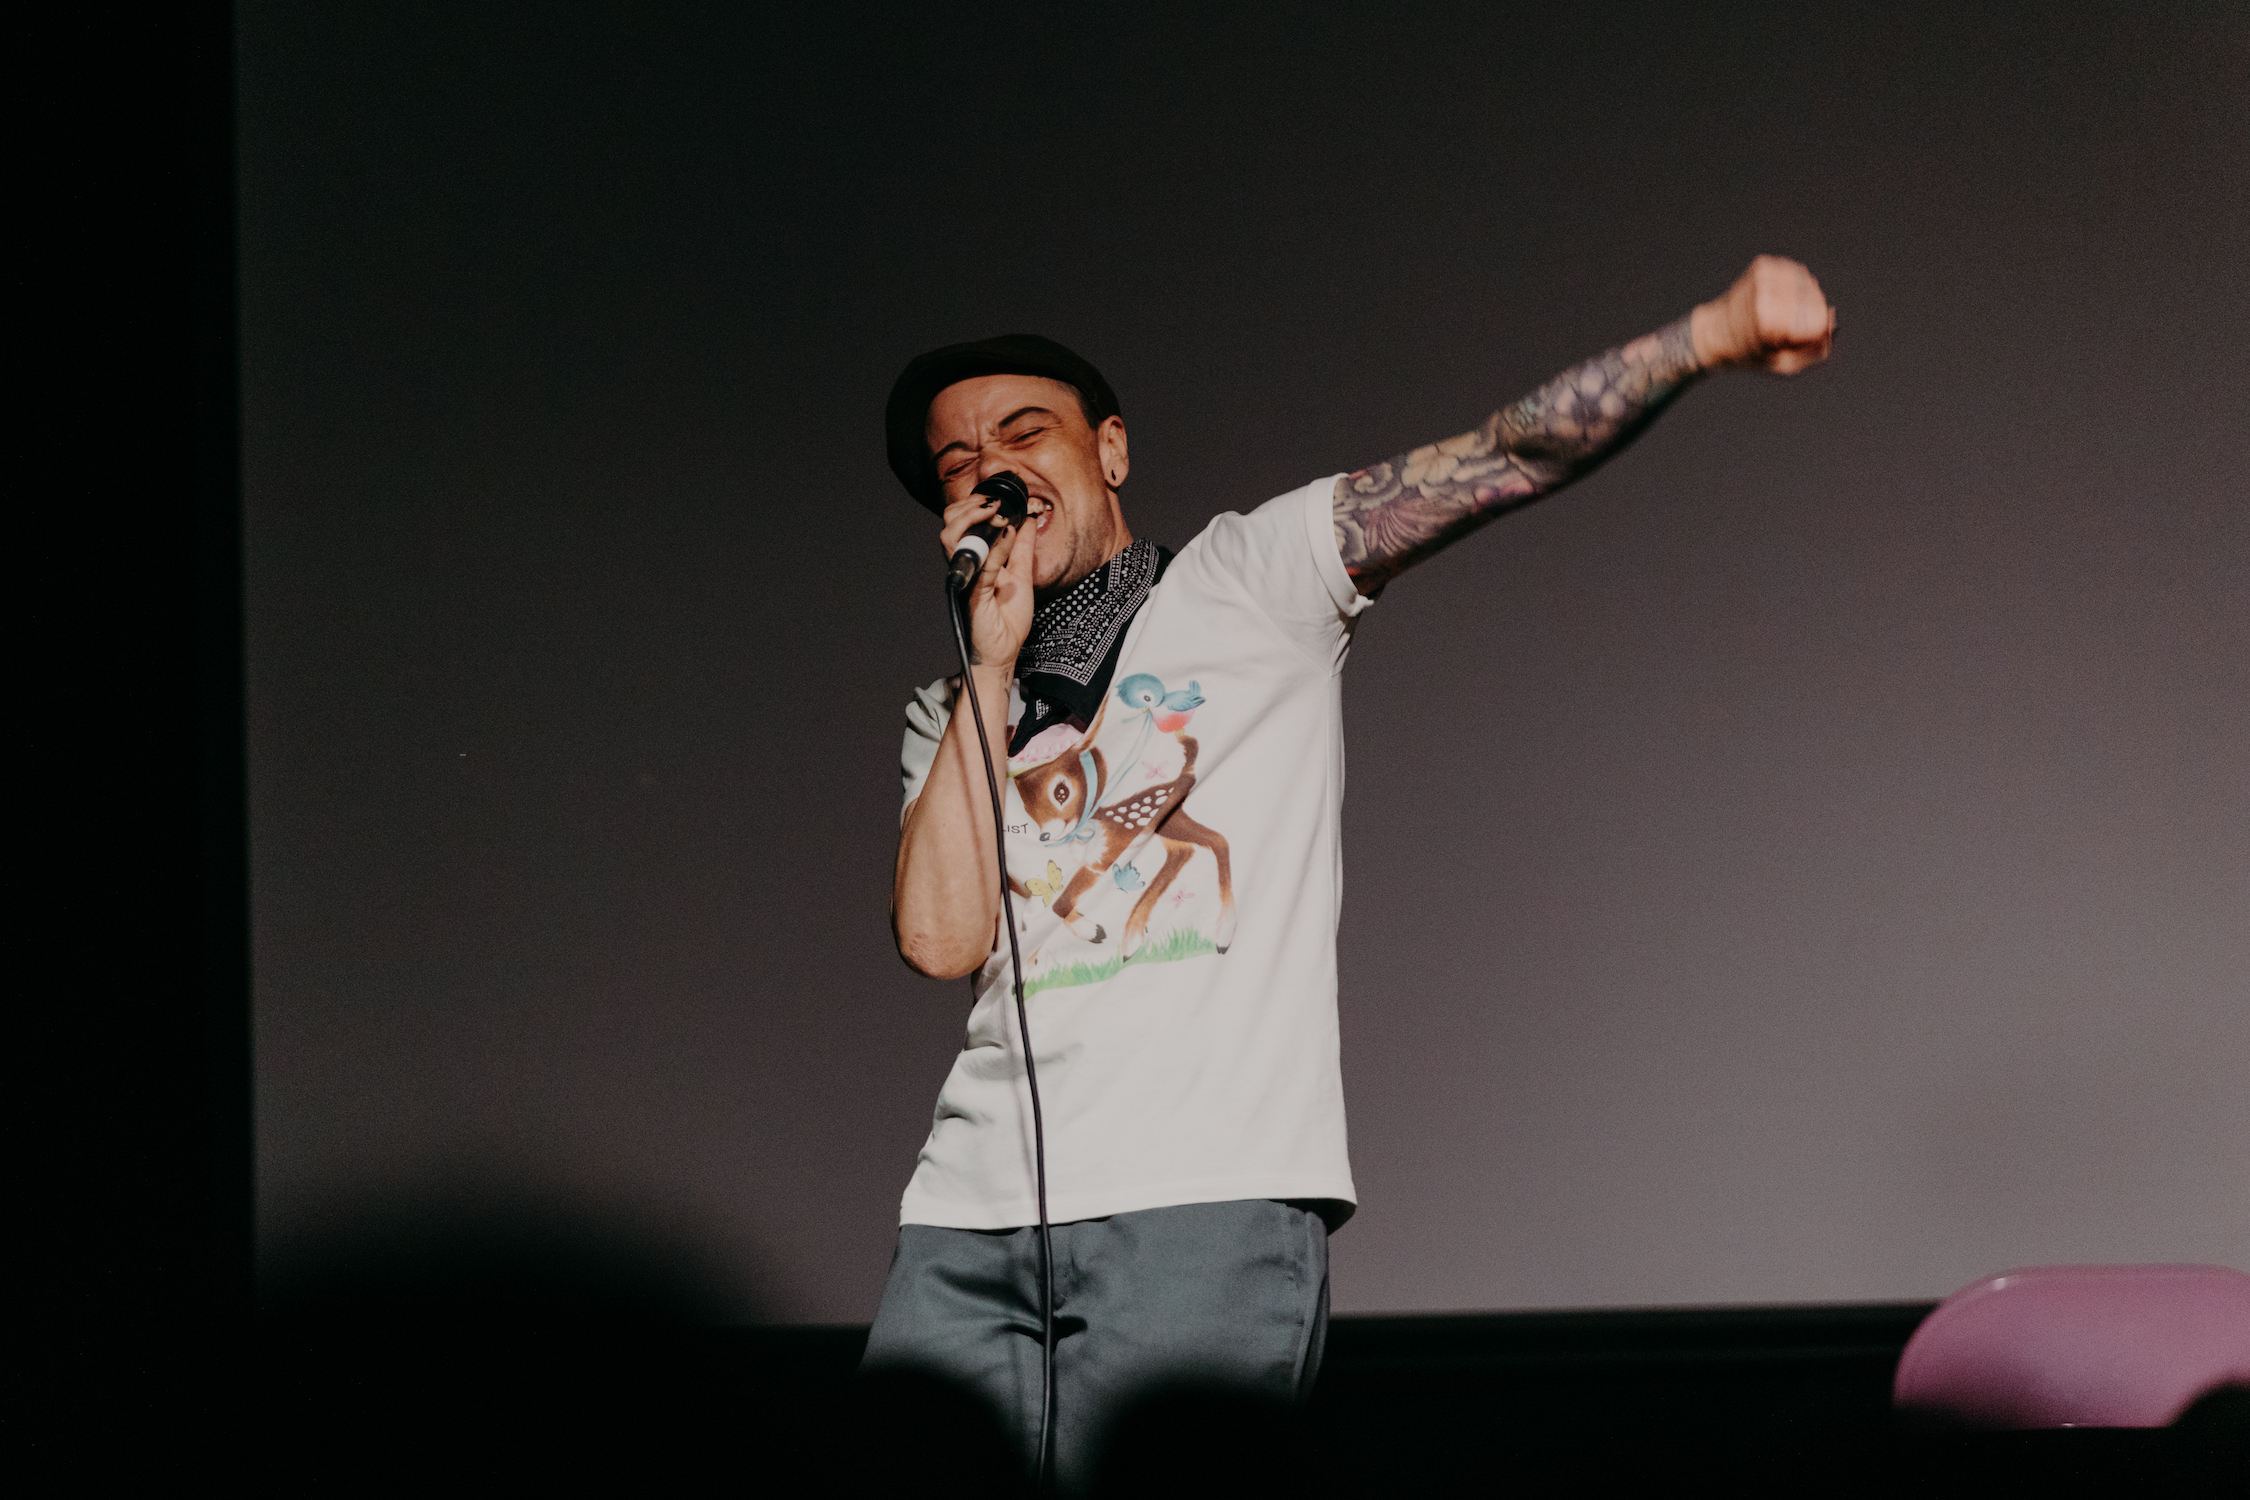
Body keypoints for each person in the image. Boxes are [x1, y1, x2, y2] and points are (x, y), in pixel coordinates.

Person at [865, 256, 1835, 1486]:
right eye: (958, 464)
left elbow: (1502, 456)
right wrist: (993, 664)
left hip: (1203, 1199)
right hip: (964, 1219)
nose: (993, 472)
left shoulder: (1249, 578)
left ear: (1109, 449)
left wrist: (1708, 335)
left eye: (1024, 434)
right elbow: (942, 941)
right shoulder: (953, 706)